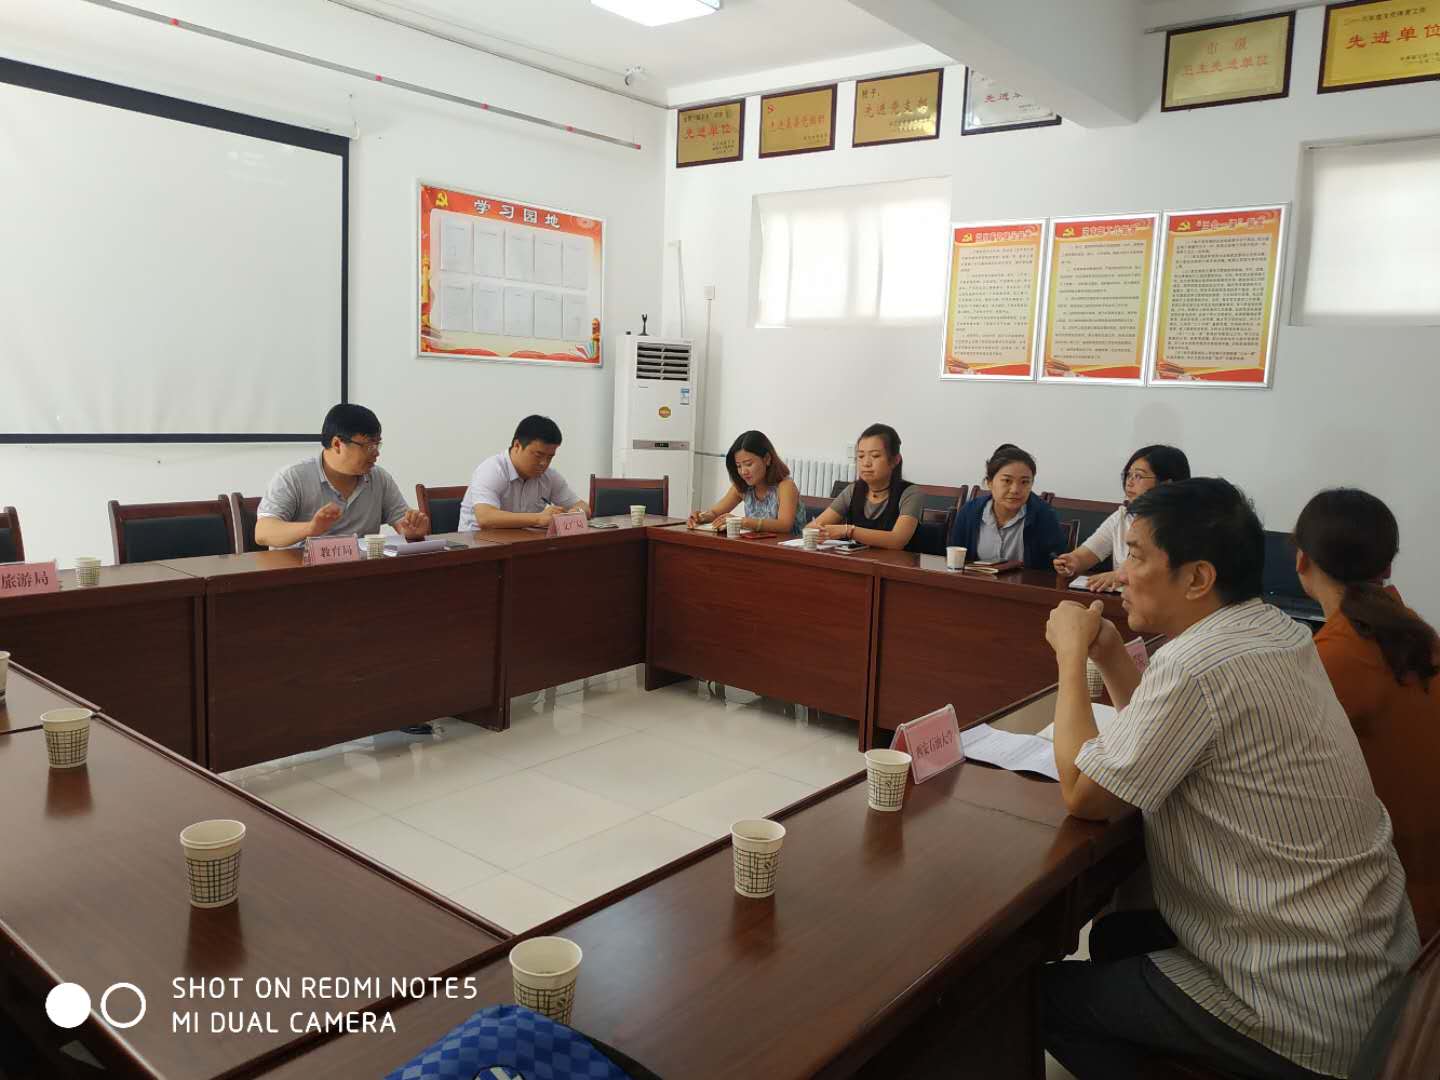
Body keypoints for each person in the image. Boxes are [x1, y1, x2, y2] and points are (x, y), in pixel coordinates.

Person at [1040, 478, 1418, 1080]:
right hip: (1364, 972)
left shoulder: (1197, 663)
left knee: (1039, 998)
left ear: (1197, 578)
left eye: (1135, 555)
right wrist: (1109, 655)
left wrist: (1068, 657)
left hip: (1296, 1003)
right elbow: (1157, 742)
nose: (1121, 573)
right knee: (1117, 939)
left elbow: (1086, 795)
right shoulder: (1275, 629)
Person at [1294, 487, 1440, 940]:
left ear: (1301, 561)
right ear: (1387, 566)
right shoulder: (1416, 632)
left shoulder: (1334, 656)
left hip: (1386, 914)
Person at [254, 403, 430, 549]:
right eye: (369, 446)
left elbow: (403, 523)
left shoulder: (379, 479)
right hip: (301, 573)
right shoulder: (293, 478)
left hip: (360, 573)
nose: (376, 453)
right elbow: (263, 533)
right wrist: (310, 528)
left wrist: (411, 531)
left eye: (378, 444)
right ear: (337, 444)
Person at [1054, 445, 1191, 592]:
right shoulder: (1122, 517)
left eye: (1138, 476)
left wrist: (1121, 576)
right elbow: (1087, 554)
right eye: (1128, 474)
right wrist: (1072, 561)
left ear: (1166, 485)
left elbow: (1167, 575)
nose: (1129, 482)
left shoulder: (1186, 524)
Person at [458, 415, 589, 531]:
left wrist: (574, 513)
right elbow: (485, 518)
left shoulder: (549, 476)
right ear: (517, 445)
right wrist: (539, 518)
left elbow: (584, 507)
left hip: (520, 542)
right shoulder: (492, 470)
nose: (544, 463)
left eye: (550, 457)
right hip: (477, 544)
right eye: (538, 455)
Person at [949, 443, 1067, 569]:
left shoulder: (1044, 515)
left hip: (1025, 582)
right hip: (976, 581)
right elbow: (955, 561)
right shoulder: (969, 512)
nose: (1015, 490)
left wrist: (1061, 564)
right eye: (1007, 480)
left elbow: (1056, 566)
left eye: (1024, 482)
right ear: (989, 482)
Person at [807, 423, 922, 551]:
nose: (866, 463)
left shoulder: (910, 493)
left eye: (875, 456)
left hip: (896, 562)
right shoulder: (852, 490)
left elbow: (897, 540)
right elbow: (811, 528)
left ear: (895, 460)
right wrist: (817, 531)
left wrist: (847, 530)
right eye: (861, 456)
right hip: (855, 560)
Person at [688, 430, 806, 537]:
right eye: (739, 466)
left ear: (767, 459)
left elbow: (784, 525)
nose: (743, 472)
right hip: (757, 546)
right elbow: (715, 512)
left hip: (787, 549)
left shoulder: (785, 486)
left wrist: (742, 521)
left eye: (748, 464)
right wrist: (701, 517)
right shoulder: (743, 486)